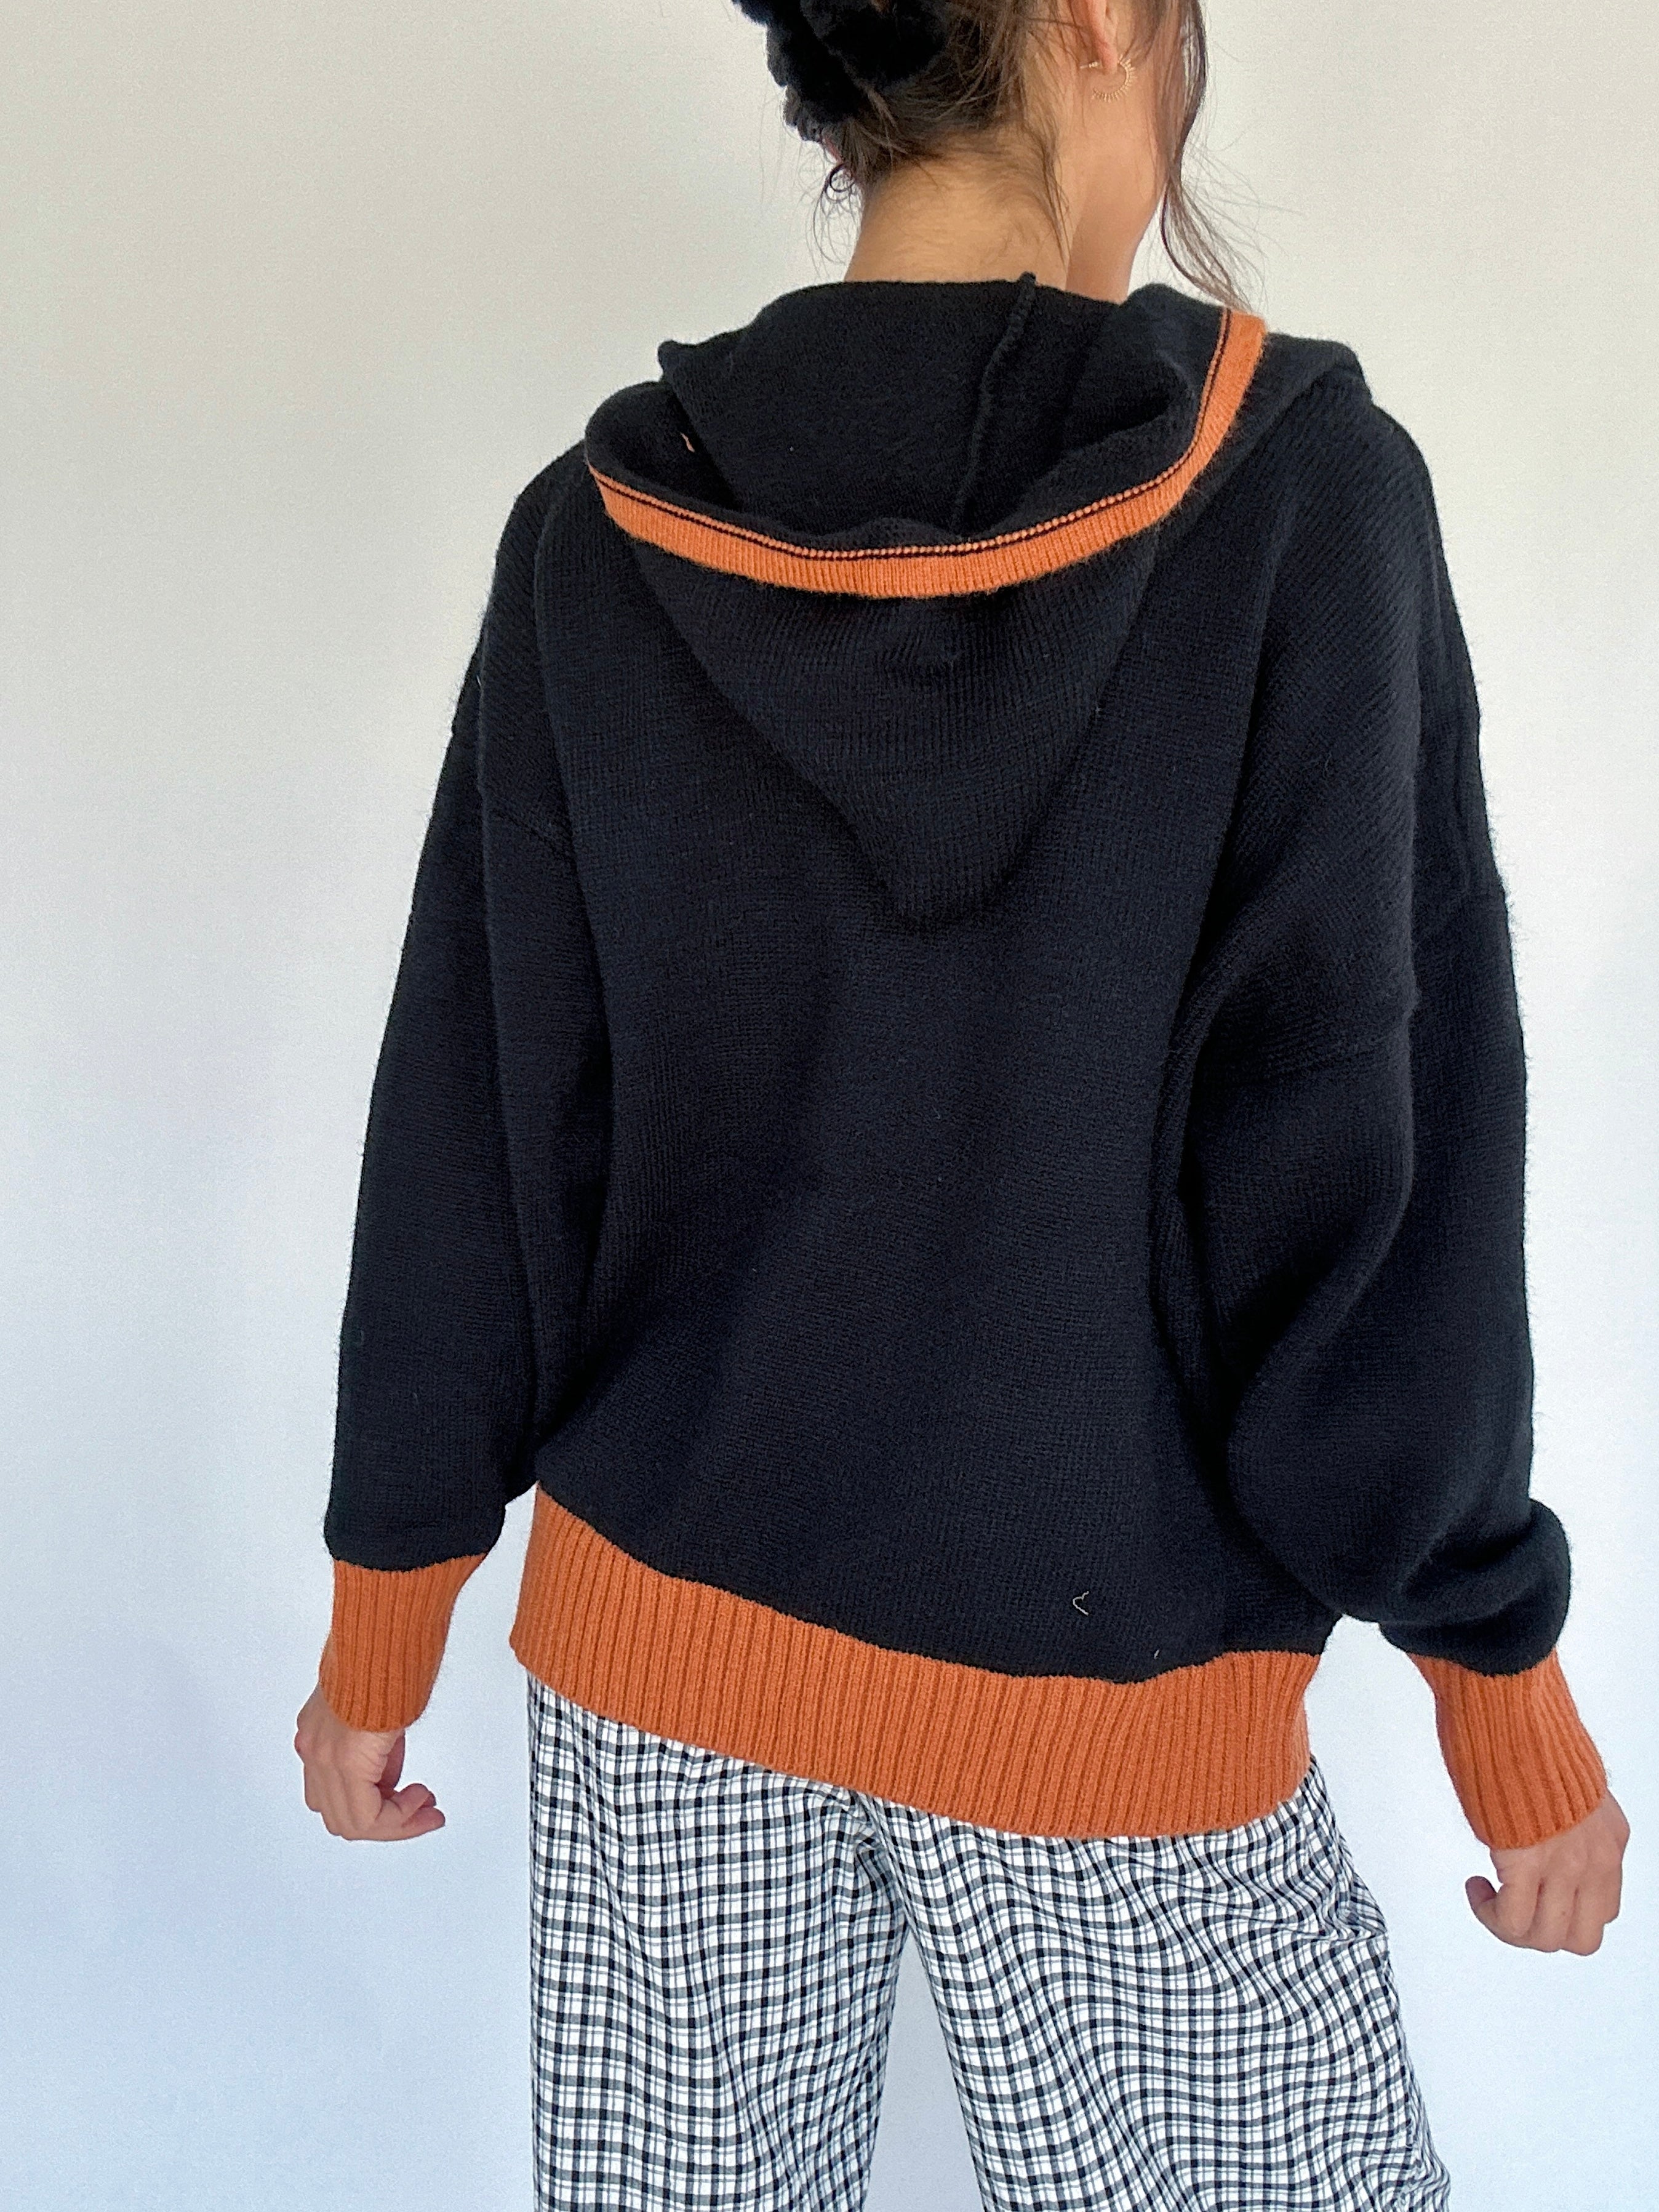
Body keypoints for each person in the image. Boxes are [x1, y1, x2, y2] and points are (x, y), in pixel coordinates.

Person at [294, 0, 1629, 2203]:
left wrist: (387, 1607)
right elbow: (1355, 1169)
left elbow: (480, 1123)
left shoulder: (594, 537)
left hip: (657, 1676)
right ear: (1099, 18)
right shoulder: (1300, 502)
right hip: (1119, 1709)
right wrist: (1498, 1677)